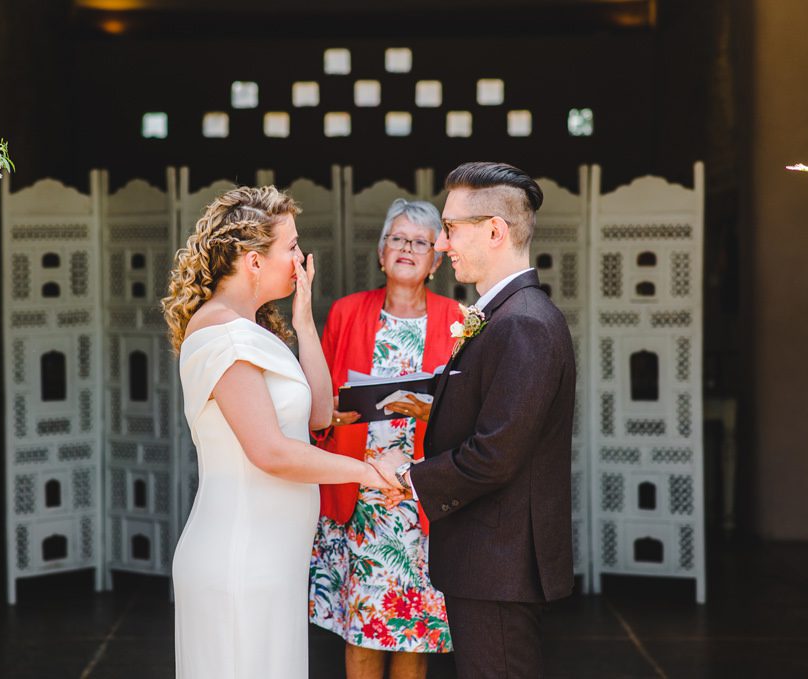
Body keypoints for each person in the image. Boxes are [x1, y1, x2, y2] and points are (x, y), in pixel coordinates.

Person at [163, 185, 404, 678]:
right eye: (291, 246)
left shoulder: (252, 329)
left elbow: (318, 416)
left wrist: (304, 318)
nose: (301, 257)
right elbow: (270, 451)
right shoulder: (221, 335)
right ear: (253, 261)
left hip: (274, 561)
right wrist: (369, 472)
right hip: (240, 559)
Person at [370, 162, 576, 679]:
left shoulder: (524, 322)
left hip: (499, 561)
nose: (440, 243)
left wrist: (408, 478)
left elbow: (494, 454)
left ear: (495, 230)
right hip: (488, 559)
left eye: (451, 227)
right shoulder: (504, 314)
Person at [308, 198, 464, 678]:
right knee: (361, 633)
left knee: (414, 635)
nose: (407, 249)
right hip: (362, 495)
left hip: (421, 502)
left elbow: (469, 412)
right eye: (397, 238)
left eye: (420, 242)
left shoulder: (458, 319)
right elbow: (320, 399)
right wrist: (327, 411)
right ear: (381, 254)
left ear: (437, 261)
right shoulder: (347, 312)